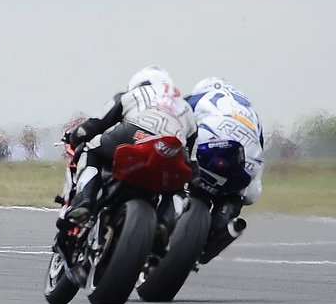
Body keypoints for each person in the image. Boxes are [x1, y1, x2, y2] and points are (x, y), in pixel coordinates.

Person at [57, 65, 197, 233]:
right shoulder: (187, 108)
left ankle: (84, 201)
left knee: (90, 150)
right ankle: (165, 226)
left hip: (134, 133)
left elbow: (92, 126)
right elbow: (190, 155)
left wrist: (74, 137)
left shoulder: (131, 94)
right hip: (170, 148)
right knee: (180, 186)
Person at [186, 76, 266, 254]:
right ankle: (222, 229)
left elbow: (176, 115)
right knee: (243, 196)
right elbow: (261, 148)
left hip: (211, 147)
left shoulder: (201, 97)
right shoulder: (251, 112)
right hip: (246, 161)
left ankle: (173, 204)